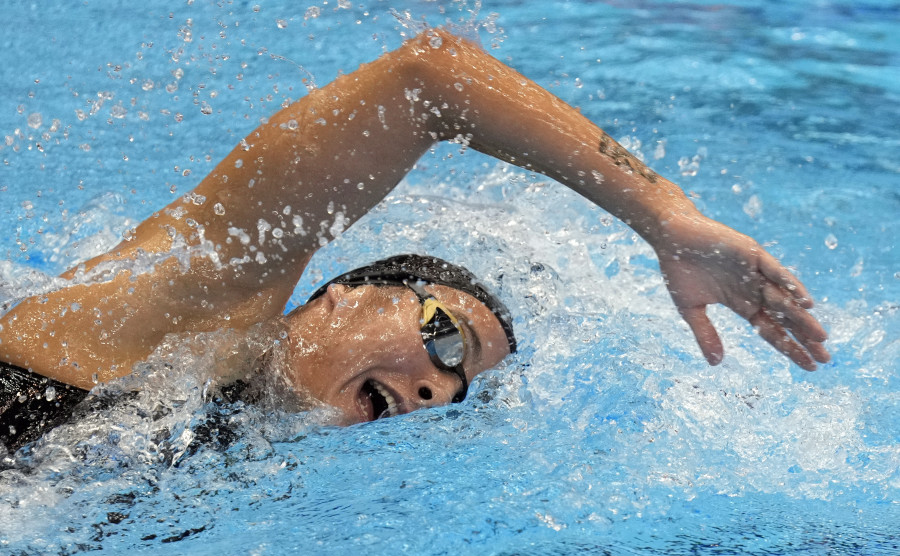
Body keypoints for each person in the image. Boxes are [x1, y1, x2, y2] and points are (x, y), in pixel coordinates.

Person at [0, 29, 830, 451]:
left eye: (457, 386)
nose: (439, 387)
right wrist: (666, 217)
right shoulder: (190, 306)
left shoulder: (233, 448)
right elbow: (428, 81)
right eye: (446, 339)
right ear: (343, 293)